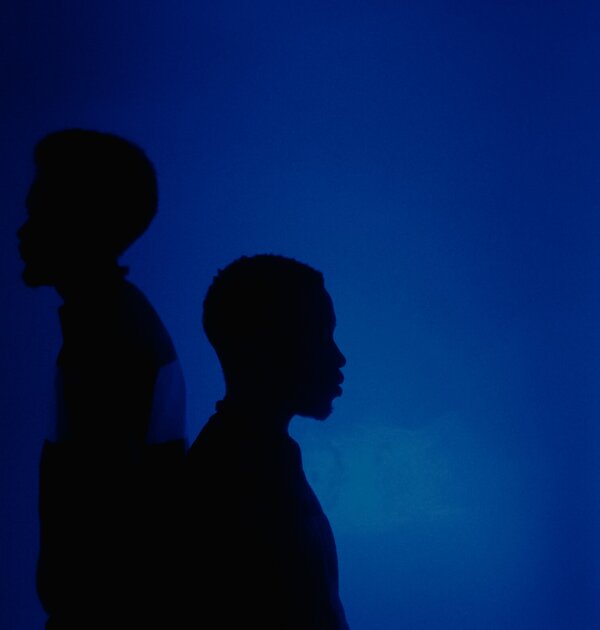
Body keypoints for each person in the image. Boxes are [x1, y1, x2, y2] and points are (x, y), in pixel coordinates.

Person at [17, 129, 186, 629]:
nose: (22, 231)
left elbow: (104, 507)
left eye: (39, 214)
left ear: (81, 221)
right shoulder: (116, 323)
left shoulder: (106, 339)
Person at [185, 254, 349, 629]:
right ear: (262, 348)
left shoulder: (242, 461)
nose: (338, 357)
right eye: (320, 335)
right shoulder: (232, 484)